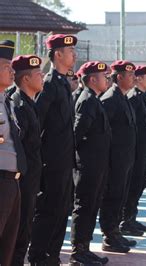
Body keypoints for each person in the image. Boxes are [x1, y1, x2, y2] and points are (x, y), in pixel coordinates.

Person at [29, 34, 77, 265]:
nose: (74, 55)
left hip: (65, 160)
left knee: (61, 211)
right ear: (58, 54)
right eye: (70, 52)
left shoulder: (62, 83)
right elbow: (37, 122)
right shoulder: (49, 83)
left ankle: (53, 255)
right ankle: (39, 255)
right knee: (48, 211)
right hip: (52, 161)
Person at [70, 61, 111, 264]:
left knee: (92, 206)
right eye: (104, 76)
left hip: (97, 165)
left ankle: (85, 248)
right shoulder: (87, 101)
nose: (107, 79)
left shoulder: (95, 100)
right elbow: (77, 135)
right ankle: (78, 252)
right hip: (87, 166)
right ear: (92, 79)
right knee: (84, 207)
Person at [99, 60, 137, 253]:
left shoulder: (123, 97)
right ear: (119, 77)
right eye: (129, 75)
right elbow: (104, 132)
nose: (133, 78)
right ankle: (109, 236)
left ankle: (115, 232)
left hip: (125, 159)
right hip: (114, 160)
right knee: (112, 197)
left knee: (119, 197)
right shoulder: (110, 99)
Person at [9, 55, 43, 266]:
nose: (42, 78)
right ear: (26, 79)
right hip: (23, 180)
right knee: (19, 232)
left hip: (31, 178)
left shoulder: (30, 103)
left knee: (24, 231)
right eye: (38, 74)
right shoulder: (19, 105)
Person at [0, 40, 27, 266]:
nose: (12, 71)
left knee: (8, 245)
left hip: (12, 181)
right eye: (6, 67)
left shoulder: (6, 101)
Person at [121, 65, 146, 236]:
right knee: (132, 187)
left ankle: (131, 218)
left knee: (139, 185)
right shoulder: (133, 98)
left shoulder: (140, 97)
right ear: (140, 79)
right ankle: (126, 220)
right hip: (135, 150)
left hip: (142, 150)